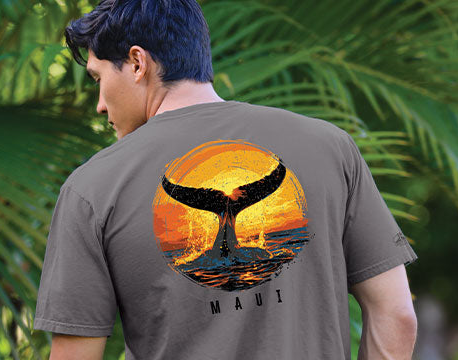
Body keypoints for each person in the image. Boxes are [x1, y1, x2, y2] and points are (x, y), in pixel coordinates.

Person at [35, 0, 418, 359]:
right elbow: (397, 314)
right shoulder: (331, 147)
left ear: (138, 63)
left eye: (97, 78)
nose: (100, 103)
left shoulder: (92, 190)